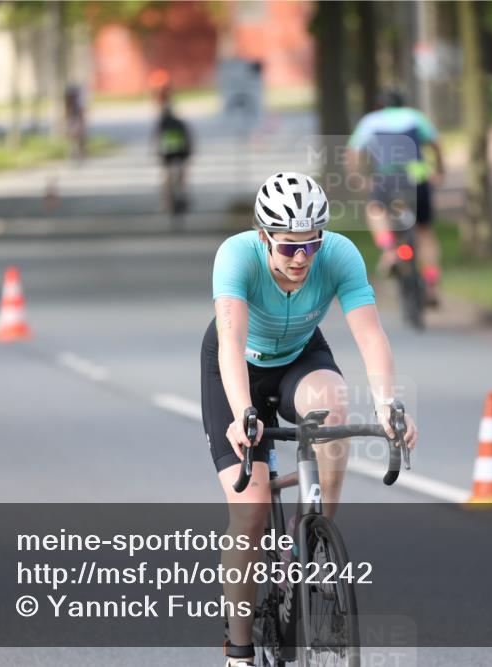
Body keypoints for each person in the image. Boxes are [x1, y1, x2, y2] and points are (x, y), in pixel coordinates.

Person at [202, 172, 419, 666]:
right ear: (263, 238)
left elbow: (370, 335)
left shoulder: (340, 254)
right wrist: (242, 416)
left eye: (311, 245)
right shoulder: (235, 256)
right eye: (287, 248)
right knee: (251, 509)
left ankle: (310, 538)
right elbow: (231, 344)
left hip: (299, 355)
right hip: (237, 370)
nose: (301, 258)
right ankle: (238, 648)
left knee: (334, 408)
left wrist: (388, 406)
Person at [346, 90, 445, 305]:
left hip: (387, 177)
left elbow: (353, 152)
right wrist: (439, 170)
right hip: (417, 177)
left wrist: (358, 178)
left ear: (380, 105)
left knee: (376, 209)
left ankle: (389, 250)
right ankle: (431, 284)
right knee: (424, 232)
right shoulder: (416, 117)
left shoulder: (371, 121)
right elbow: (435, 145)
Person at [151, 85, 192, 216]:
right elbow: (188, 138)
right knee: (179, 176)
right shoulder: (179, 123)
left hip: (168, 153)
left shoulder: (162, 124)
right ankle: (181, 195)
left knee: (167, 178)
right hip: (180, 153)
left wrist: (157, 152)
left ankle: (167, 202)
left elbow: (156, 139)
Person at [64, 84, 86, 162]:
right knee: (75, 137)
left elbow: (81, 113)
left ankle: (79, 153)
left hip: (75, 120)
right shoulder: (70, 103)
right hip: (73, 120)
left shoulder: (76, 103)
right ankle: (75, 153)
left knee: (78, 138)